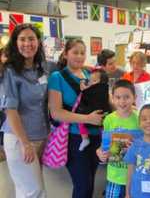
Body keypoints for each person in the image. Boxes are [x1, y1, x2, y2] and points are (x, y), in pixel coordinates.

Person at [48, 38, 104, 198]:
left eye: (82, 53)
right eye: (75, 52)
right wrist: (87, 119)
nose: (79, 56)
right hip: (73, 138)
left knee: (91, 182)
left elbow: (101, 98)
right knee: (82, 185)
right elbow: (56, 113)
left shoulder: (89, 74)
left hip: (95, 136)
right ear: (65, 54)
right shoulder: (57, 77)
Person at [2, 24, 48, 198]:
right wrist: (25, 143)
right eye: (22, 39)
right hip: (20, 139)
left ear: (38, 42)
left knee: (25, 189)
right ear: (15, 43)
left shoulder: (40, 68)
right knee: (34, 191)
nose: (27, 43)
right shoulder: (10, 71)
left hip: (40, 136)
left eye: (31, 39)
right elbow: (10, 110)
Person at [96, 79, 140, 198]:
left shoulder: (140, 119)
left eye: (126, 97)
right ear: (112, 98)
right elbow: (104, 145)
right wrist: (99, 152)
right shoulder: (109, 119)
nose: (122, 101)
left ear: (134, 97)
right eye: (118, 97)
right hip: (114, 174)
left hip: (135, 175)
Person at [77, 68, 111, 151]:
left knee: (80, 120)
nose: (91, 83)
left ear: (102, 82)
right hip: (103, 113)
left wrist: (83, 88)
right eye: (90, 80)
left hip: (91, 114)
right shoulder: (106, 90)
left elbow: (85, 95)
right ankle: (103, 142)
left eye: (94, 80)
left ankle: (85, 138)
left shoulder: (94, 90)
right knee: (104, 127)